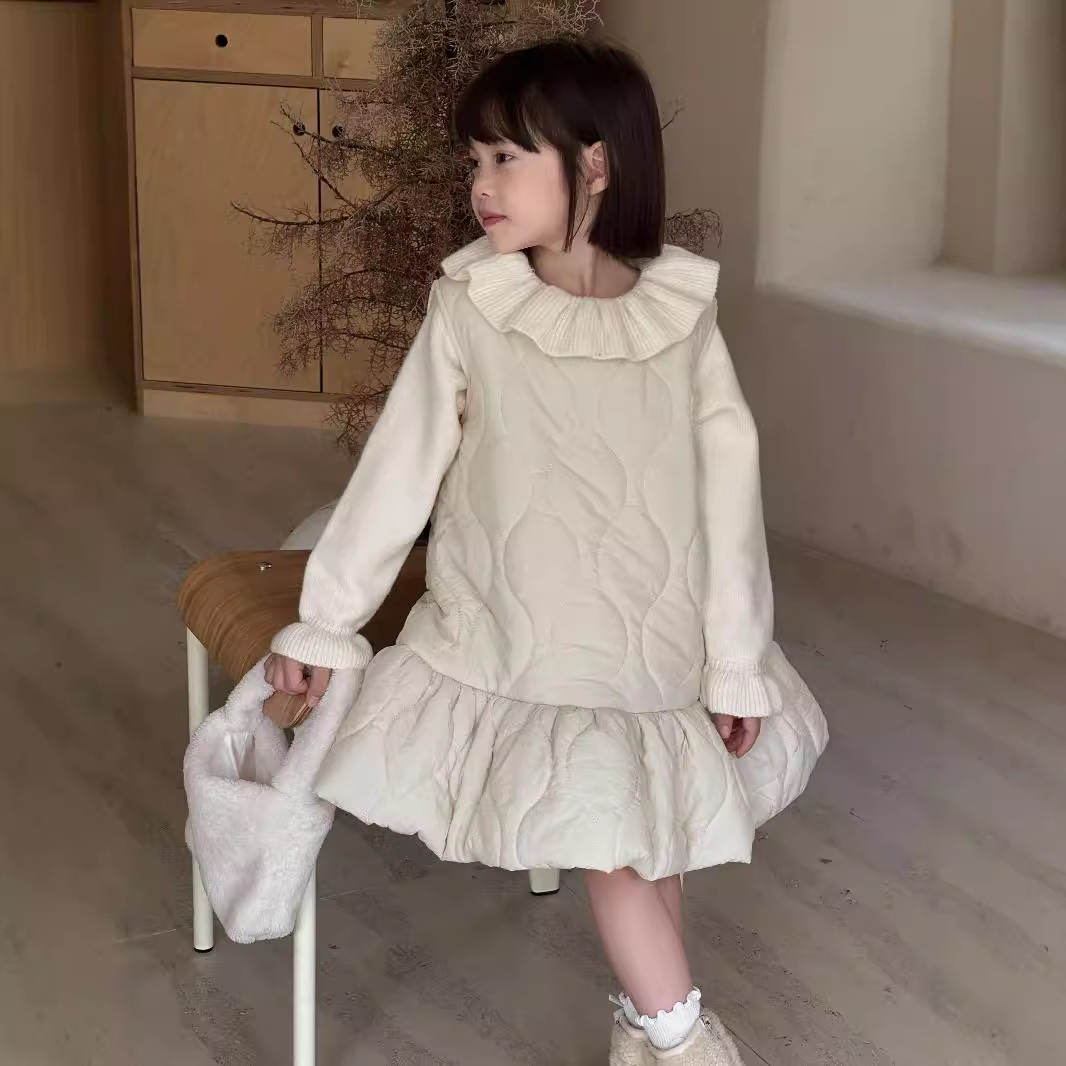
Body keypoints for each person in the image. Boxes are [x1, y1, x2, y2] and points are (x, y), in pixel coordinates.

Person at [265, 39, 828, 1066]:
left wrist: (737, 659)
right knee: (616, 848)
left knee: (648, 840)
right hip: (526, 641)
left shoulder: (682, 320)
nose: (480, 185)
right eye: (473, 162)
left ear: (595, 164)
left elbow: (730, 501)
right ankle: (685, 1042)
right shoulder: (471, 309)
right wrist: (326, 620)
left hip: (657, 645)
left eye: (505, 159)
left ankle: (648, 1033)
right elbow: (398, 472)